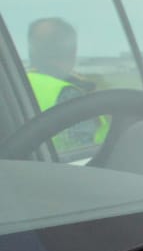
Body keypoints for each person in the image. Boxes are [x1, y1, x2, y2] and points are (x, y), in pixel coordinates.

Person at [26, 16, 102, 154]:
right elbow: (82, 147)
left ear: (32, 52)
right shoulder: (69, 94)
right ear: (72, 51)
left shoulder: (18, 85)